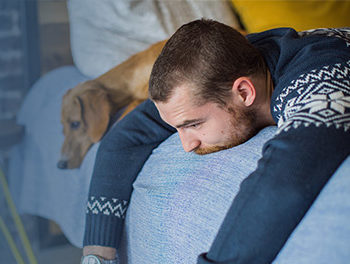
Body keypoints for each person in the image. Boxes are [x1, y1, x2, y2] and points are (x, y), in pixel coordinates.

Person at [81, 19, 350, 264]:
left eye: (194, 125)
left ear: (244, 92)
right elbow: (126, 135)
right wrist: (97, 255)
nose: (186, 145)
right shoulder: (224, 67)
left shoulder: (321, 83)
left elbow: (285, 179)